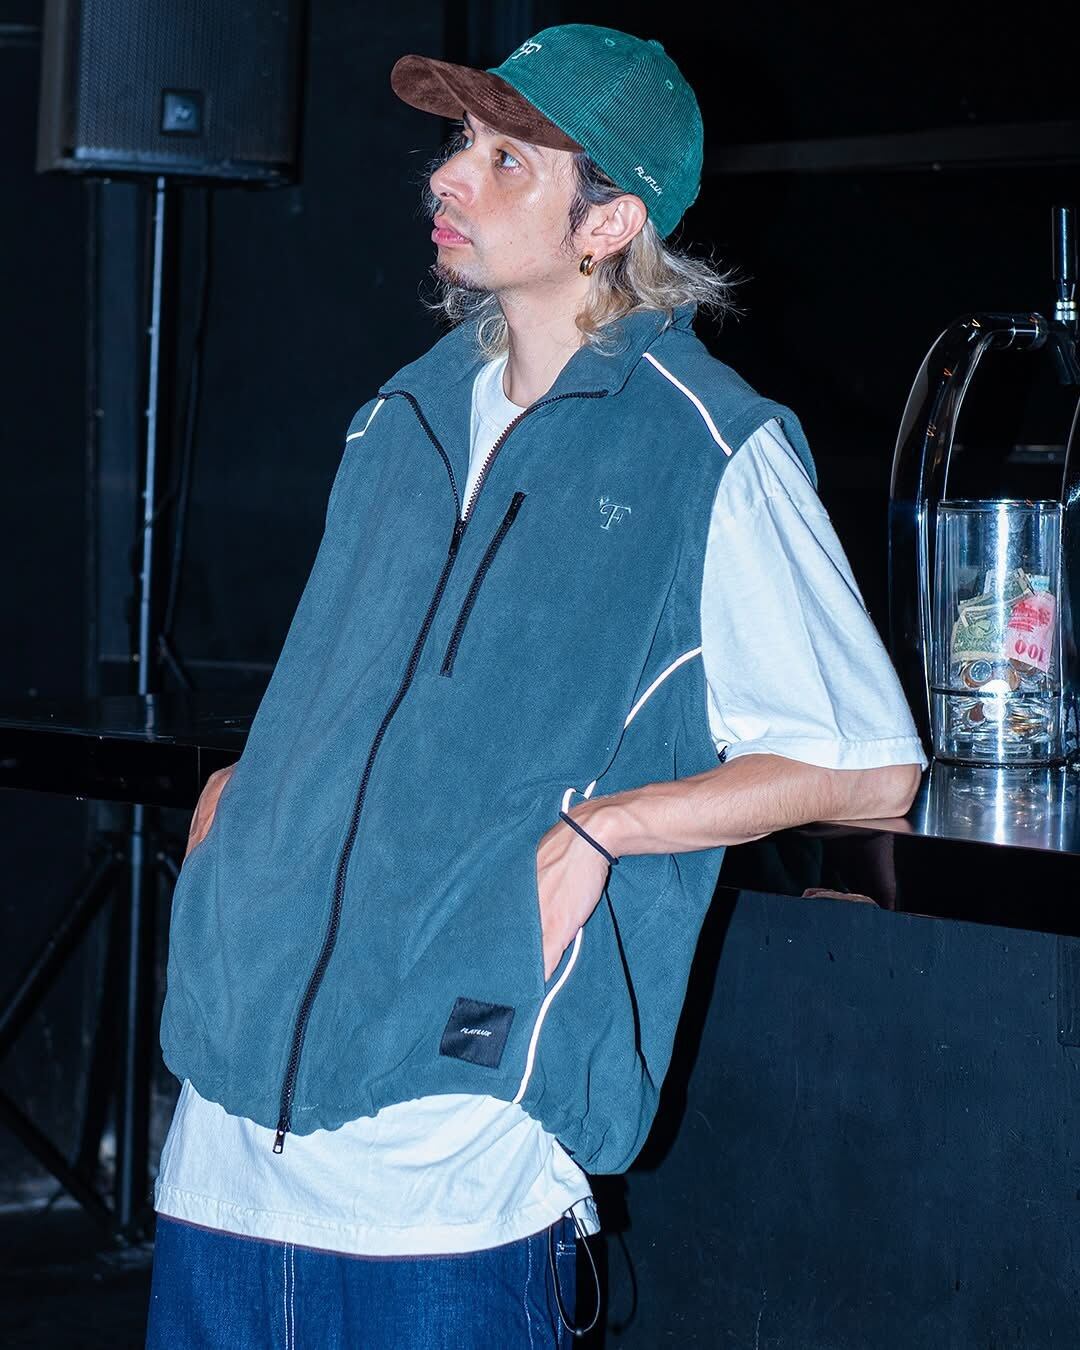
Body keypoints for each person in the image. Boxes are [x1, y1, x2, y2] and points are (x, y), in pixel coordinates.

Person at [144, 22, 927, 1350]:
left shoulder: (708, 444)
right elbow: (353, 697)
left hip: (452, 1172)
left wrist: (610, 826)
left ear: (607, 221)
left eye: (507, 159)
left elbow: (866, 766)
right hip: (224, 1148)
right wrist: (254, 791)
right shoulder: (399, 415)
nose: (449, 175)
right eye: (460, 143)